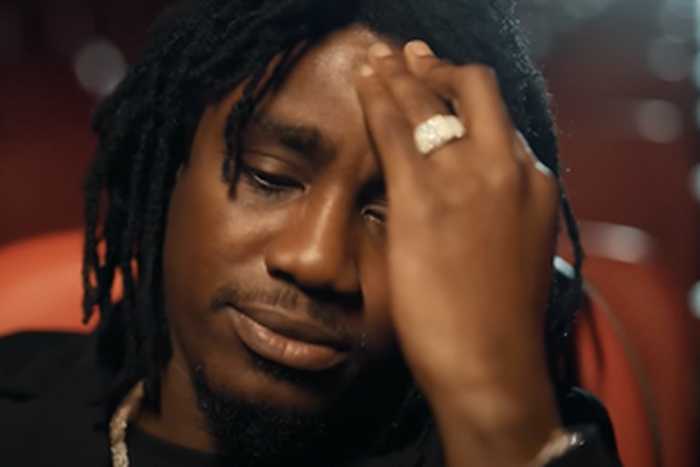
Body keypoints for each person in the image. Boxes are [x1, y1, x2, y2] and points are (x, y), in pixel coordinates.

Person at [0, 0, 624, 465]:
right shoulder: (17, 406)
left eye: (397, 214)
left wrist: (496, 406)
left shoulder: (528, 441)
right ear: (171, 167)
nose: (317, 259)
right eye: (269, 176)